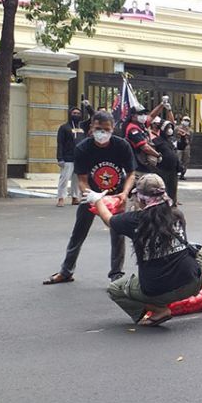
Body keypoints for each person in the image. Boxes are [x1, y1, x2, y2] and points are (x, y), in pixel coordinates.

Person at [87, 174, 202, 326]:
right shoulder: (176, 214)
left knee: (114, 289)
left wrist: (97, 200)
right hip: (192, 282)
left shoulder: (134, 220)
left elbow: (108, 219)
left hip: (155, 292)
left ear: (141, 199)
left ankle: (158, 310)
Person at [43, 111, 135, 285]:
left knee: (118, 234)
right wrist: (91, 195)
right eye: (98, 128)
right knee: (78, 233)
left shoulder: (122, 146)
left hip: (116, 197)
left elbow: (131, 174)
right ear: (91, 128)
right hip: (91, 196)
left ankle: (116, 275)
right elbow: (82, 181)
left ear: (113, 129)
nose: (102, 133)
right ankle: (66, 271)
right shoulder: (83, 148)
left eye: (106, 129)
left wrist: (124, 193)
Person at [56, 107, 86, 207]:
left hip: (80, 158)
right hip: (67, 158)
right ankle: (61, 198)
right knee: (64, 179)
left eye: (78, 113)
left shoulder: (83, 128)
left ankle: (75, 197)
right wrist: (60, 158)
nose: (76, 115)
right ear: (70, 114)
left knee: (76, 180)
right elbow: (60, 143)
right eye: (74, 113)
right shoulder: (64, 127)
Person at [124, 104, 166, 177]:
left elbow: (152, 116)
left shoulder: (141, 125)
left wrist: (162, 104)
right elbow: (145, 147)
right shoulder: (133, 129)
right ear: (133, 116)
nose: (143, 116)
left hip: (144, 166)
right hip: (138, 167)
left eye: (144, 113)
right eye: (140, 114)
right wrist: (158, 155)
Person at [153, 120, 180, 205]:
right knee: (163, 189)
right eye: (168, 128)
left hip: (173, 170)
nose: (170, 130)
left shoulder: (172, 140)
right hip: (162, 169)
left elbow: (181, 147)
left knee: (173, 189)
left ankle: (172, 205)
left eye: (171, 128)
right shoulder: (157, 141)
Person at [175, 115, 192, 180]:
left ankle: (182, 174)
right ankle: (176, 173)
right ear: (182, 120)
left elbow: (191, 139)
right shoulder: (177, 128)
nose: (186, 122)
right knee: (178, 159)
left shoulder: (190, 130)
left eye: (188, 121)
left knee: (186, 160)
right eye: (185, 120)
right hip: (179, 145)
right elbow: (174, 136)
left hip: (186, 145)